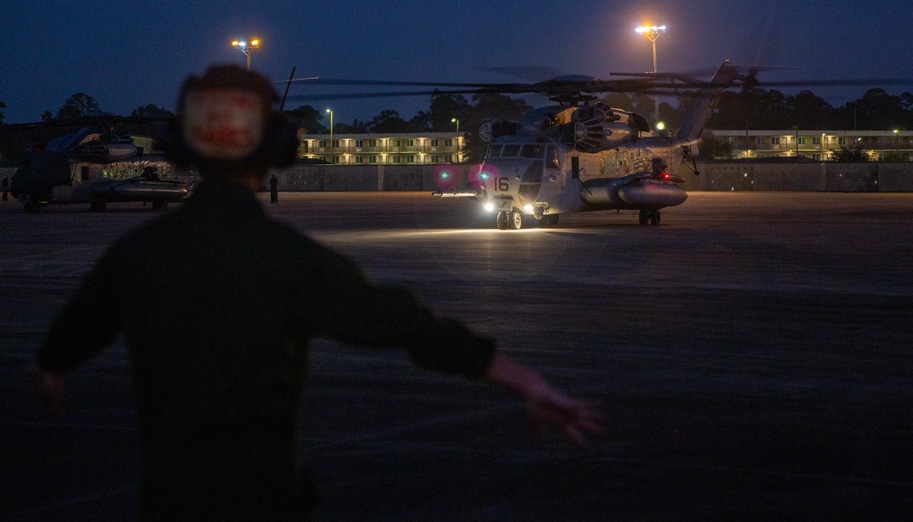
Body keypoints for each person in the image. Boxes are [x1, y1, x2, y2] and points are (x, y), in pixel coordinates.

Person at [30, 65, 604, 521]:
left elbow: (70, 336)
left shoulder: (138, 255)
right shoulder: (291, 260)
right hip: (267, 498)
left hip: (168, 501)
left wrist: (53, 369)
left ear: (182, 146)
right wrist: (528, 383)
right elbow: (407, 325)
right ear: (276, 150)